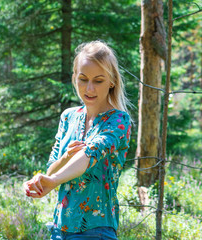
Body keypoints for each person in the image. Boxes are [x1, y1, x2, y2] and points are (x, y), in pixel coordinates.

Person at [23, 40, 132, 240]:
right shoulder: (68, 117)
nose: (89, 88)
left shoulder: (119, 121)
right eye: (83, 79)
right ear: (74, 78)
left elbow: (89, 154)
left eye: (98, 81)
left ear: (112, 81)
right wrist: (42, 179)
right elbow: (51, 170)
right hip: (58, 229)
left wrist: (53, 180)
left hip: (96, 230)